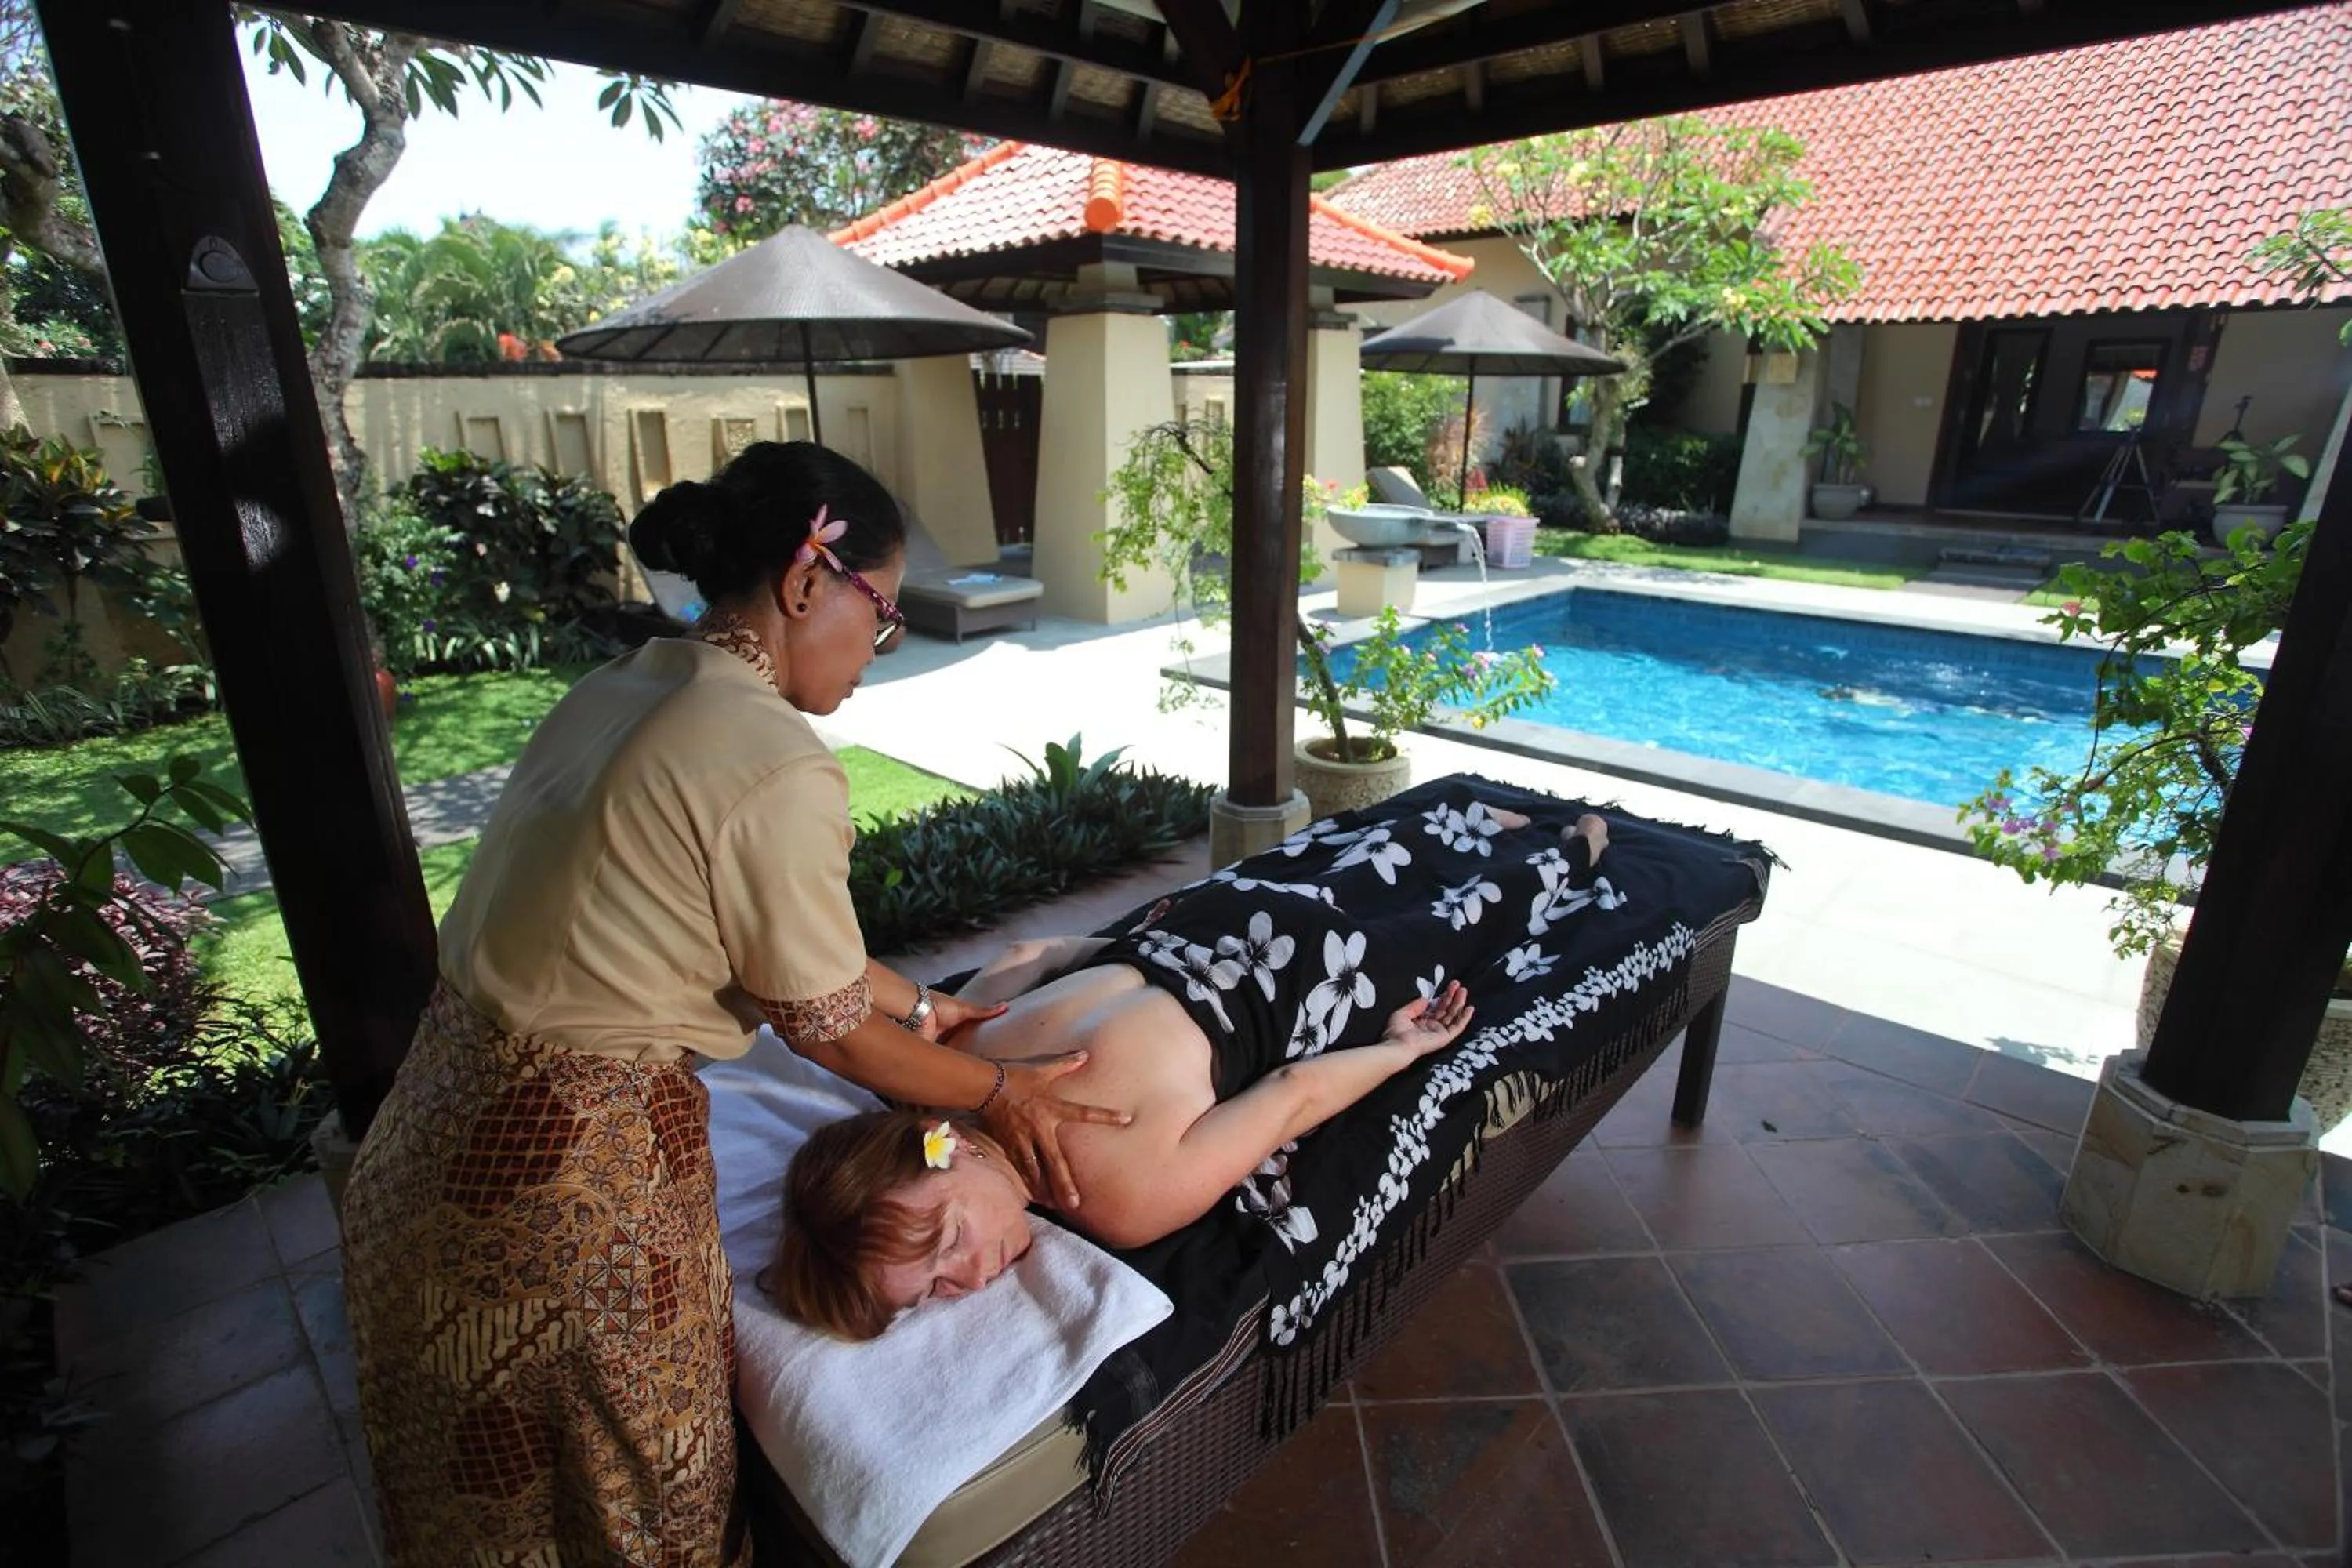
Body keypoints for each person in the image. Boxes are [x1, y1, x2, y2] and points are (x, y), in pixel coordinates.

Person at [339, 441, 1126, 1566]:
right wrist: (1001, 1095)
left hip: (429, 1149)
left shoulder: (623, 690)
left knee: (489, 1517)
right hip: (567, 1198)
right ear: (809, 579)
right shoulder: (769, 756)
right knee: (635, 1510)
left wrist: (921, 1013)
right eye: (884, 614)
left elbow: (784, 963)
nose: (879, 647)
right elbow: (825, 1026)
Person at [771, 807, 1612, 1341]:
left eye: (950, 1242)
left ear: (937, 1156)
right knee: (1343, 869)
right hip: (1203, 924)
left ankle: (1573, 845)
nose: (970, 1279)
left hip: (1299, 976)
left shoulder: (1115, 1195)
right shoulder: (940, 1070)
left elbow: (1293, 1095)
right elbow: (1031, 952)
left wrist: (1402, 1049)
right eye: (932, 1292)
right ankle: (1463, 817)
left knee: (1455, 929)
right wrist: (1131, 951)